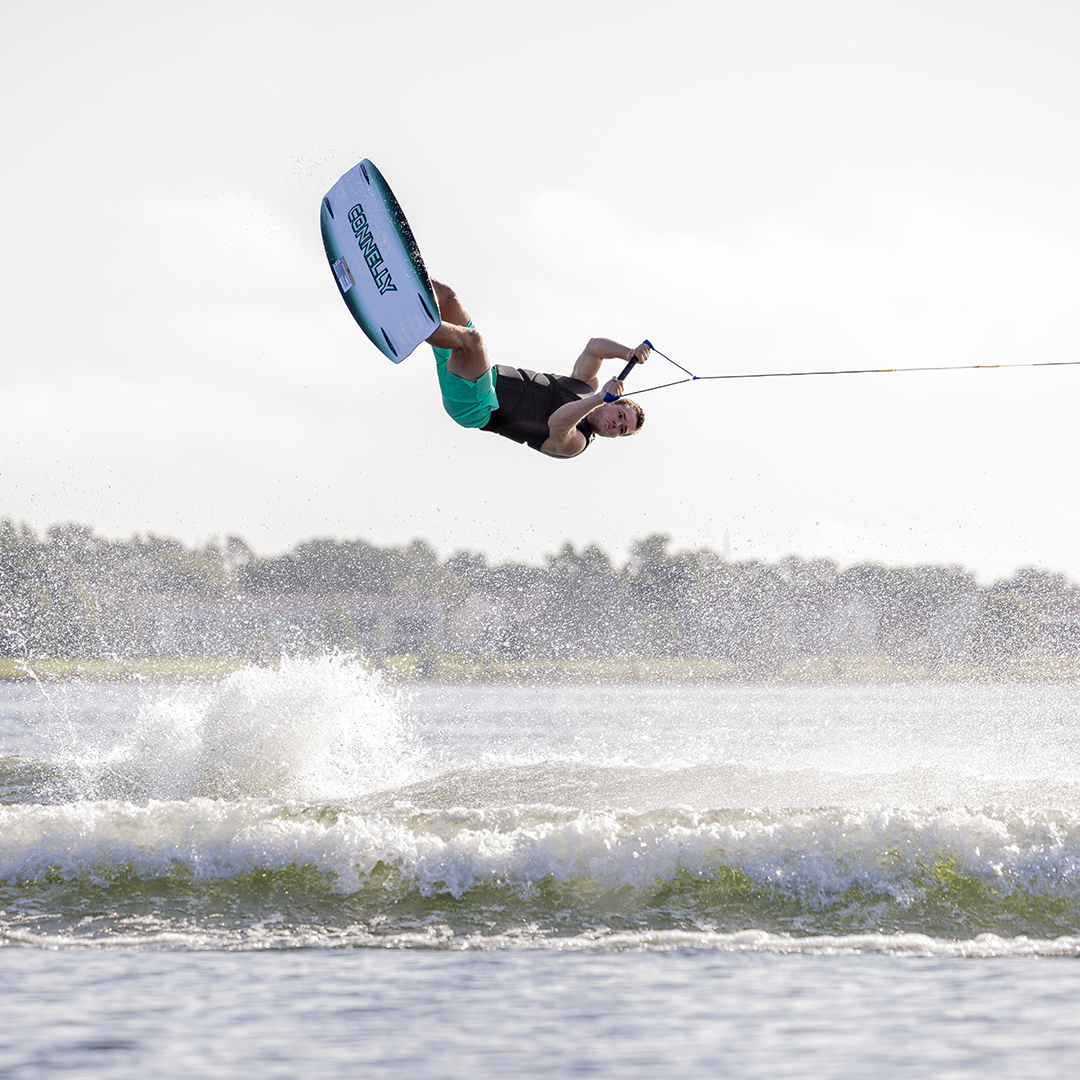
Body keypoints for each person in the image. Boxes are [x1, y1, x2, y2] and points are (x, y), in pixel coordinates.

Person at [426, 279, 649, 458]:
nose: (616, 425)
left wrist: (600, 399)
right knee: (447, 298)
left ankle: (407, 323)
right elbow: (594, 348)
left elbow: (557, 422)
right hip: (476, 377)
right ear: (615, 403)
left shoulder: (577, 443)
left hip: (477, 406)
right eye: (620, 416)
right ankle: (399, 271)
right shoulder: (586, 385)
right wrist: (628, 353)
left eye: (621, 430)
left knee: (472, 341)